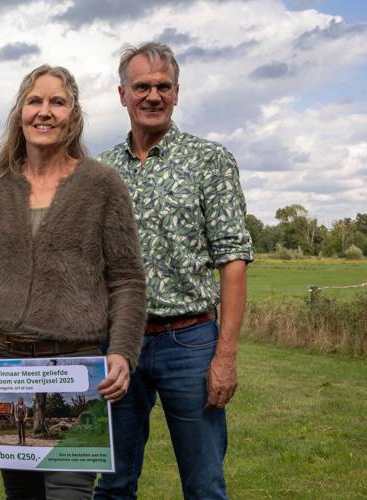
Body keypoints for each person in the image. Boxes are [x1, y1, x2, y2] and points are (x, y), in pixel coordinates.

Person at [0, 65, 147, 500]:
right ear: (20, 112)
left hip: (76, 366)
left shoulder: (102, 184)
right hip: (3, 363)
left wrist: (122, 353)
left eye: (57, 102)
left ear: (74, 114)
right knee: (22, 495)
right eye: (35, 101)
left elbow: (128, 278)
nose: (45, 112)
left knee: (69, 494)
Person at [94, 42, 253, 500]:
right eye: (141, 86)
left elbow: (233, 259)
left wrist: (225, 357)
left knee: (204, 485)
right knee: (115, 482)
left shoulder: (209, 161)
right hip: (119, 344)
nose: (152, 96)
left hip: (191, 342)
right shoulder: (101, 170)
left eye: (163, 87)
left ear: (177, 94)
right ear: (122, 94)